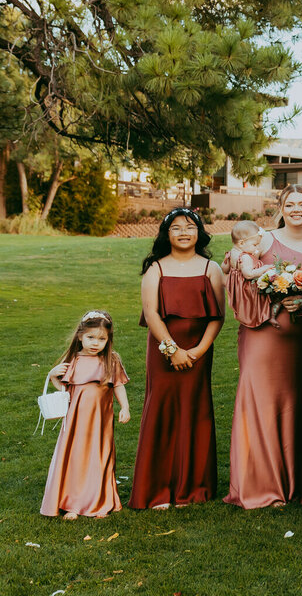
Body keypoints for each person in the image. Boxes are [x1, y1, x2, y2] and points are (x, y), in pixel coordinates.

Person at [226, 185, 302, 509]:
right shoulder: (264, 238)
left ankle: (292, 483)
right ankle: (259, 485)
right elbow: (234, 259)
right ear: (281, 206)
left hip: (301, 339)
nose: (296, 209)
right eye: (290, 204)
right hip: (263, 335)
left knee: (293, 407)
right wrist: (243, 262)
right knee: (259, 404)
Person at [130, 208, 225, 509]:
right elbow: (151, 313)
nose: (184, 232)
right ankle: (156, 488)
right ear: (166, 234)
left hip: (199, 351)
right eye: (176, 228)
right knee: (163, 410)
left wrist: (197, 351)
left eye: (190, 227)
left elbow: (218, 317)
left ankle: (192, 488)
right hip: (163, 352)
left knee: (195, 412)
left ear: (199, 232)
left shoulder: (212, 269)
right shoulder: (155, 269)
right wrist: (173, 351)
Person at [41, 310, 131, 519]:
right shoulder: (73, 359)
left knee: (100, 457)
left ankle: (101, 502)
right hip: (76, 420)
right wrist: (52, 375)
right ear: (80, 336)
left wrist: (124, 407)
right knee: (76, 458)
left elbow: (118, 385)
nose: (95, 343)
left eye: (101, 339)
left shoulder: (111, 360)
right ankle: (73, 504)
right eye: (90, 337)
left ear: (108, 340)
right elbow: (64, 389)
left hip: (101, 421)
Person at [223, 220, 282, 329]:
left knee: (247, 306)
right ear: (241, 243)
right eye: (255, 245)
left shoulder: (231, 253)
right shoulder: (245, 257)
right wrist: (264, 268)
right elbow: (249, 275)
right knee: (275, 296)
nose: (257, 248)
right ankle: (271, 316)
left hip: (238, 287)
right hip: (248, 287)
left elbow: (225, 268)